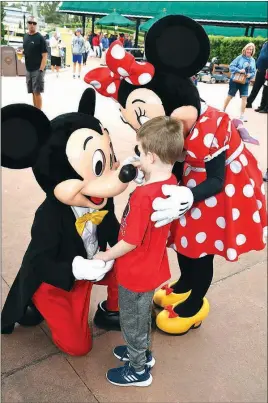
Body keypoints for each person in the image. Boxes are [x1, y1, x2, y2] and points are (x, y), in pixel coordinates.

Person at [85, 16, 267, 337]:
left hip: (218, 188)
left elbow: (216, 179)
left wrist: (187, 196)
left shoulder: (210, 127)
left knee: (200, 246)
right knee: (183, 241)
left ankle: (196, 302)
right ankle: (185, 284)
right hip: (189, 185)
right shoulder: (170, 129)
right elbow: (171, 157)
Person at [94, 116, 183, 386]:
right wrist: (145, 176)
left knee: (132, 321)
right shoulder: (170, 183)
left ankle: (138, 368)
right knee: (142, 315)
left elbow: (131, 241)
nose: (139, 157)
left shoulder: (144, 198)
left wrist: (105, 256)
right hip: (151, 266)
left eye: (141, 153)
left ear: (152, 157)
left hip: (135, 271)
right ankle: (141, 352)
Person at [223, 43, 256, 122]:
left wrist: (250, 75)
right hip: (235, 80)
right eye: (248, 49)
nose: (249, 51)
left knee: (244, 98)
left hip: (245, 82)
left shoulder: (253, 60)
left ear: (252, 51)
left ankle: (242, 115)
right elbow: (231, 66)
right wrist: (239, 70)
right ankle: (223, 110)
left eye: (251, 49)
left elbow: (254, 72)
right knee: (230, 96)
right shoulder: (239, 58)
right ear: (245, 49)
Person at [22, 16, 47, 110]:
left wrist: (41, 70)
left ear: (36, 25)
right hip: (28, 69)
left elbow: (45, 55)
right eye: (30, 22)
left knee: (37, 92)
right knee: (32, 91)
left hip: (37, 69)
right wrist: (22, 53)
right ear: (27, 24)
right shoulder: (25, 36)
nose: (32, 25)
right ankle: (35, 110)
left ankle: (39, 114)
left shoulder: (40, 38)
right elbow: (27, 51)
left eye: (34, 23)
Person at [246, 41, 268, 110]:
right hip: (260, 69)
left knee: (265, 90)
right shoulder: (265, 43)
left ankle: (263, 106)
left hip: (267, 71)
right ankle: (249, 102)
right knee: (255, 87)